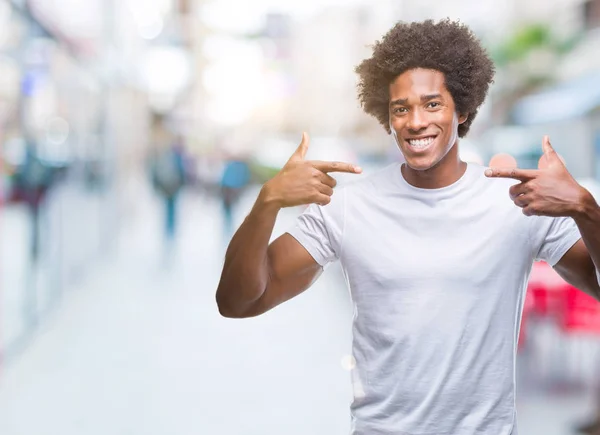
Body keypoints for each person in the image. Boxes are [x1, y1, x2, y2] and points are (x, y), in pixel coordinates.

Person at [216, 19, 600, 435]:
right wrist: (267, 202)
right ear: (389, 117)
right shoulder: (348, 207)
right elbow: (237, 302)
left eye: (432, 104)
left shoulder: (513, 203)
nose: (415, 121)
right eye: (401, 108)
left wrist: (584, 207)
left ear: (463, 109)